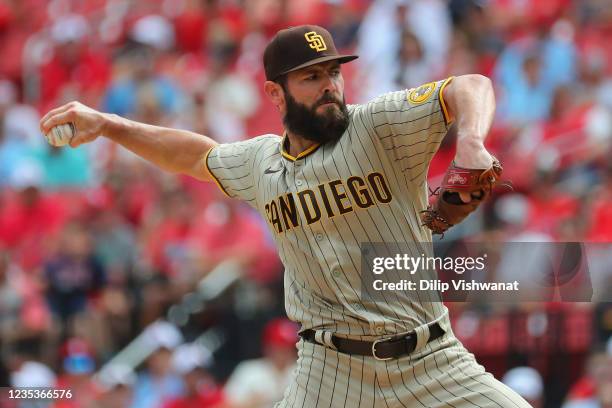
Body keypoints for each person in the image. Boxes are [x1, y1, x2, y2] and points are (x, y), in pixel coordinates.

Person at [41, 24, 530, 407]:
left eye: (333, 72)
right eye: (311, 77)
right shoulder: (260, 163)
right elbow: (194, 156)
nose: (330, 86)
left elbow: (469, 86)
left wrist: (469, 139)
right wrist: (108, 123)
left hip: (430, 359)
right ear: (276, 94)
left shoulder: (377, 125)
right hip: (329, 374)